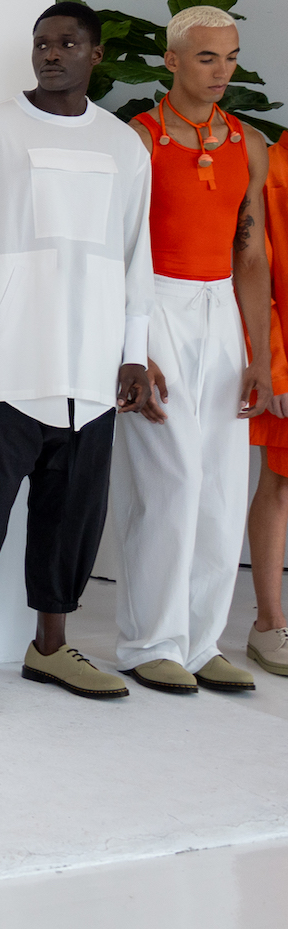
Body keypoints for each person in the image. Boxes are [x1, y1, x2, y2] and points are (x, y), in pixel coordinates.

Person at [0, 2, 154, 706]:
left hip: (89, 372)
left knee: (73, 517)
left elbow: (134, 259)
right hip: (2, 363)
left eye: (67, 43)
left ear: (96, 54)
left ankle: (51, 646)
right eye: (41, 43)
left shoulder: (124, 148)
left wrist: (135, 354)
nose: (51, 53)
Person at [112, 5, 273, 694]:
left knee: (219, 481)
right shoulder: (137, 140)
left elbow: (252, 252)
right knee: (169, 481)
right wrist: (134, 342)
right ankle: (150, 640)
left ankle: (203, 641)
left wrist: (259, 356)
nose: (222, 71)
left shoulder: (250, 142)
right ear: (172, 60)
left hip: (221, 312)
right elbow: (118, 248)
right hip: (157, 304)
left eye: (231, 57)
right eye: (207, 58)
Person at [245, 130, 288, 678]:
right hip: (287, 353)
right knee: (278, 483)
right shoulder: (274, 167)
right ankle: (269, 623)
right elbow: (259, 275)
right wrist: (274, 365)